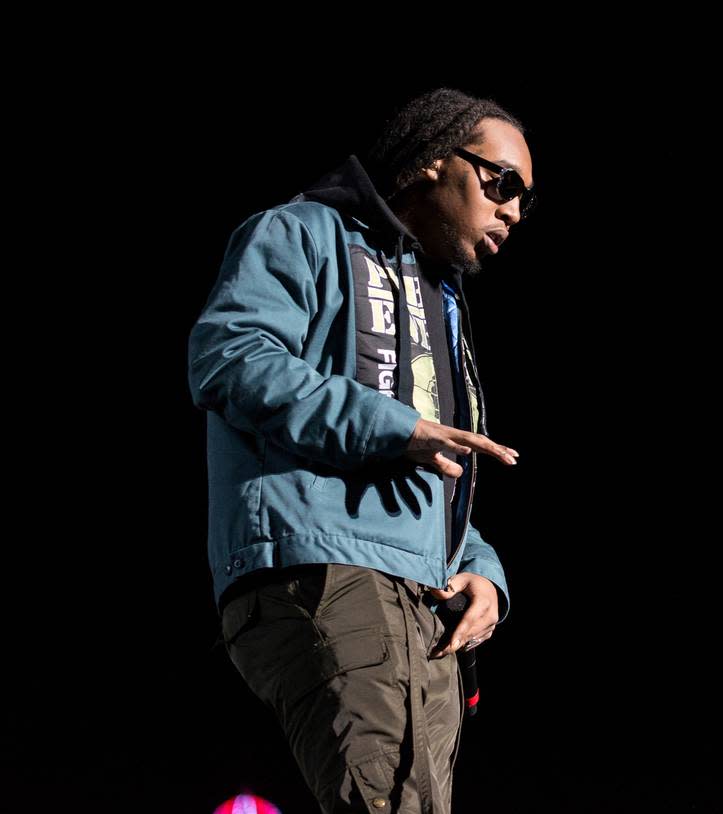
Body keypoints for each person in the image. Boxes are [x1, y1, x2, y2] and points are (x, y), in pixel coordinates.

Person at [186, 87, 535, 813]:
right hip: (331, 568)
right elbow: (230, 357)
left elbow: (434, 480)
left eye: (527, 201)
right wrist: (394, 426)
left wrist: (482, 573)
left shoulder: (443, 304)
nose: (513, 211)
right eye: (502, 184)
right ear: (435, 161)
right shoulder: (301, 233)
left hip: (422, 600)